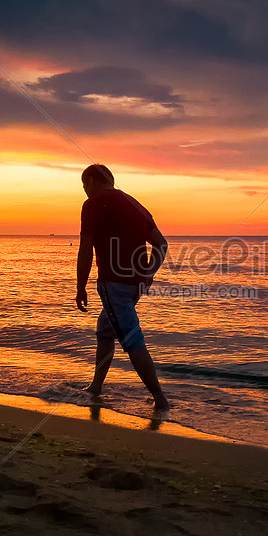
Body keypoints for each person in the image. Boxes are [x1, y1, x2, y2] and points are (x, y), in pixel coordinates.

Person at [74, 164, 170, 412]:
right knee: (106, 330)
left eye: (85, 186)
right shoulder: (135, 204)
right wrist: (148, 273)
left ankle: (160, 399)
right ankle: (96, 386)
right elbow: (161, 244)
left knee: (131, 338)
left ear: (93, 182)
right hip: (134, 285)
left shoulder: (93, 204)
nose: (85, 191)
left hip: (113, 283)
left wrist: (80, 286)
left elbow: (85, 249)